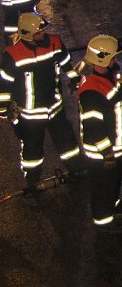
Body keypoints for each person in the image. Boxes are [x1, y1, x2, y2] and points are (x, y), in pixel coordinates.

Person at [0, 13, 85, 186]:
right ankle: (32, 180)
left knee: (67, 142)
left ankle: (77, 169)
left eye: (43, 30)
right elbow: (4, 85)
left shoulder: (55, 43)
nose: (44, 33)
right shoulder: (13, 55)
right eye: (39, 32)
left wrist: (77, 81)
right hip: (31, 114)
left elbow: (67, 65)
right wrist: (3, 108)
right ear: (27, 34)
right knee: (32, 149)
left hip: (54, 107)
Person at [77, 35, 122, 234]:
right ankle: (104, 222)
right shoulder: (92, 91)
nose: (116, 60)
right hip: (103, 153)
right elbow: (93, 128)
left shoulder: (109, 78)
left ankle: (114, 203)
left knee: (113, 180)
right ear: (102, 59)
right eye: (113, 57)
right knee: (103, 186)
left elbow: (118, 104)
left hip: (114, 148)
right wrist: (107, 153)